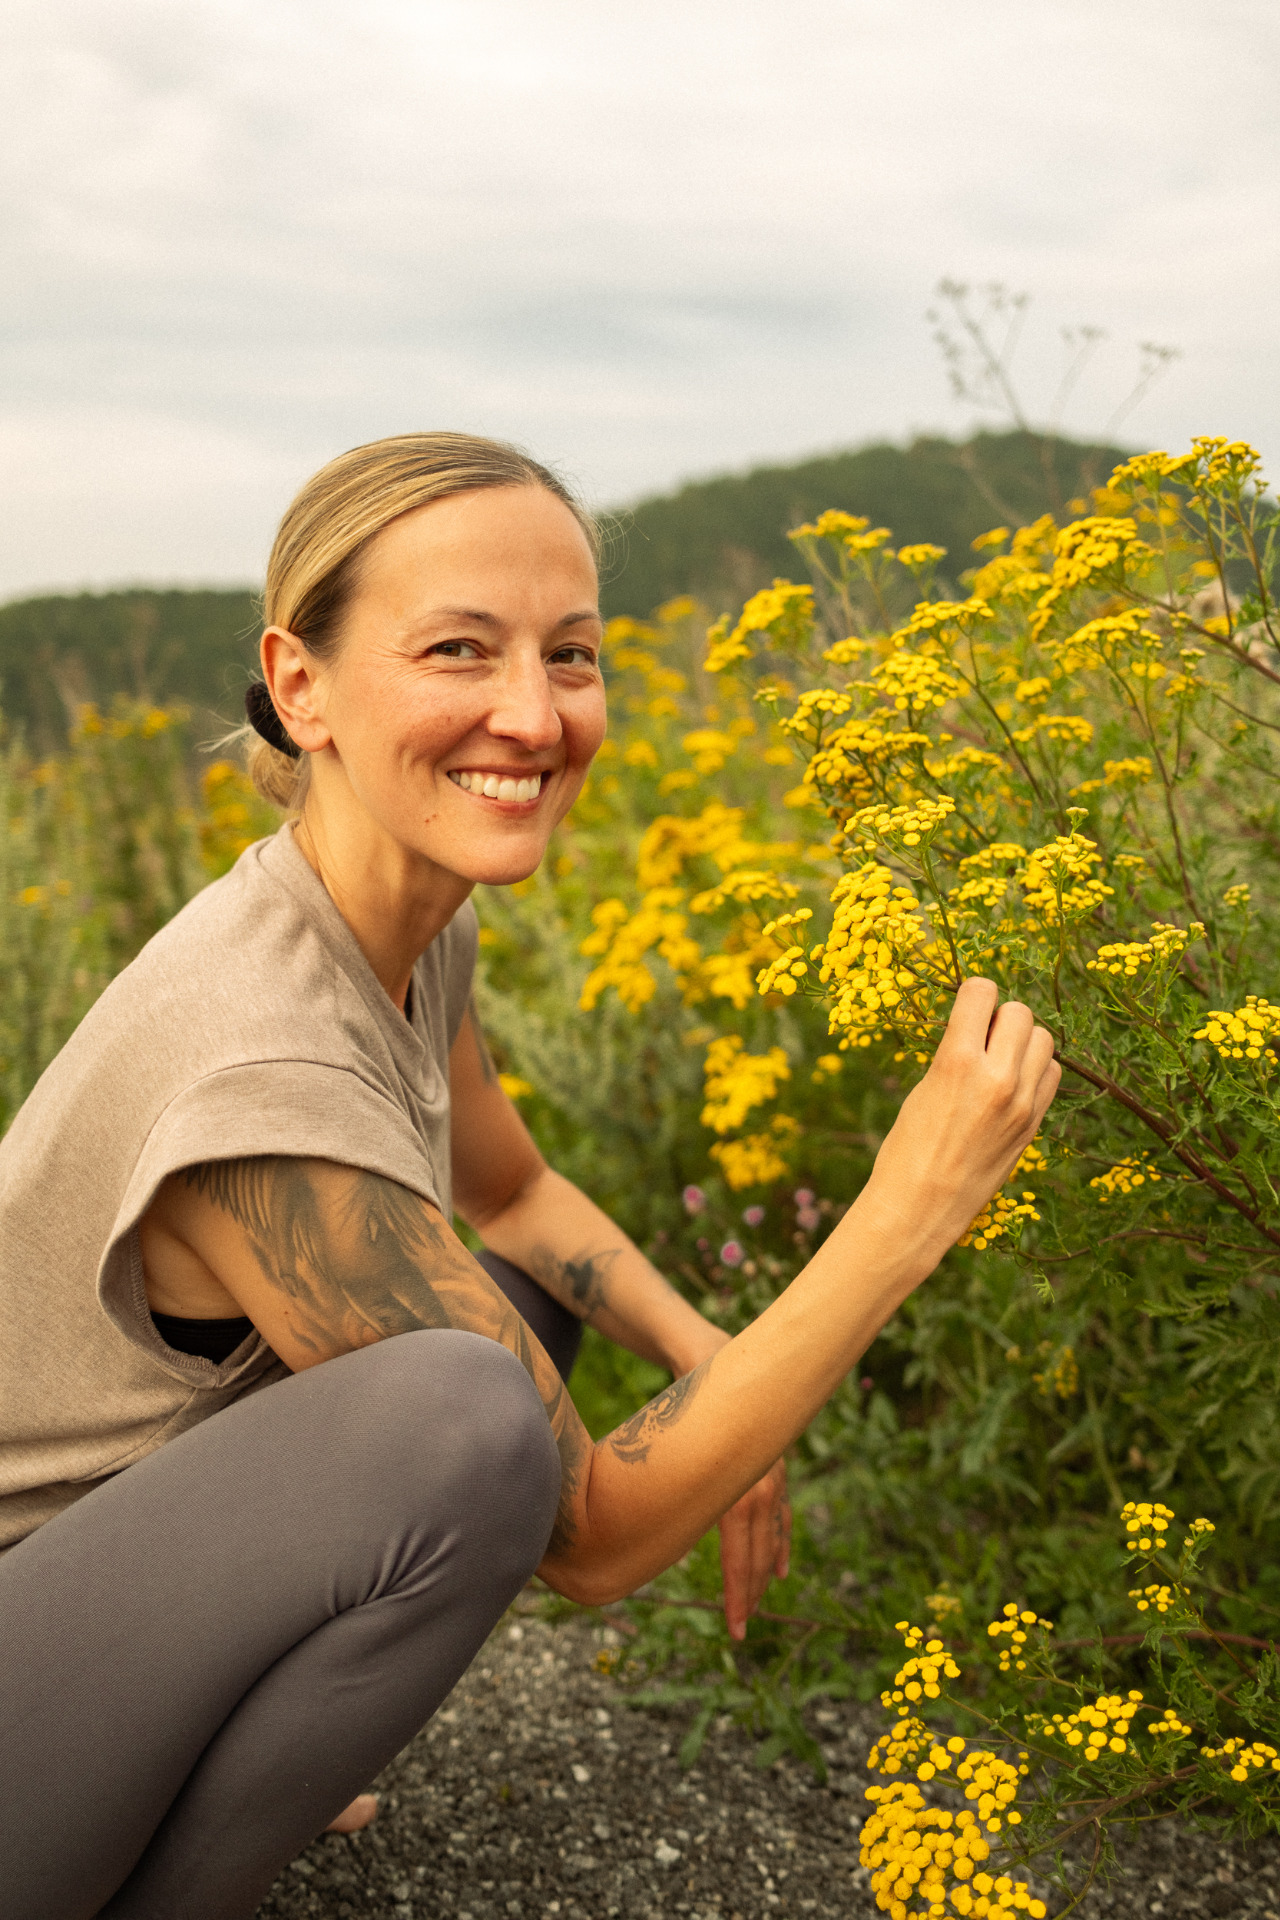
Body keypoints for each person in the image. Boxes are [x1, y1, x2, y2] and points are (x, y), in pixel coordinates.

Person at [0, 432, 1060, 1920]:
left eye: (570, 654)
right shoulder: (262, 1065)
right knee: (467, 1416)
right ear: (301, 686)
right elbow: (595, 1538)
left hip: (90, 1578)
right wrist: (912, 1208)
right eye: (458, 649)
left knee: (504, 1323)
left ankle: (201, 1752)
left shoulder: (402, 918)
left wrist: (705, 1353)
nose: (533, 713)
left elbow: (508, 1198)